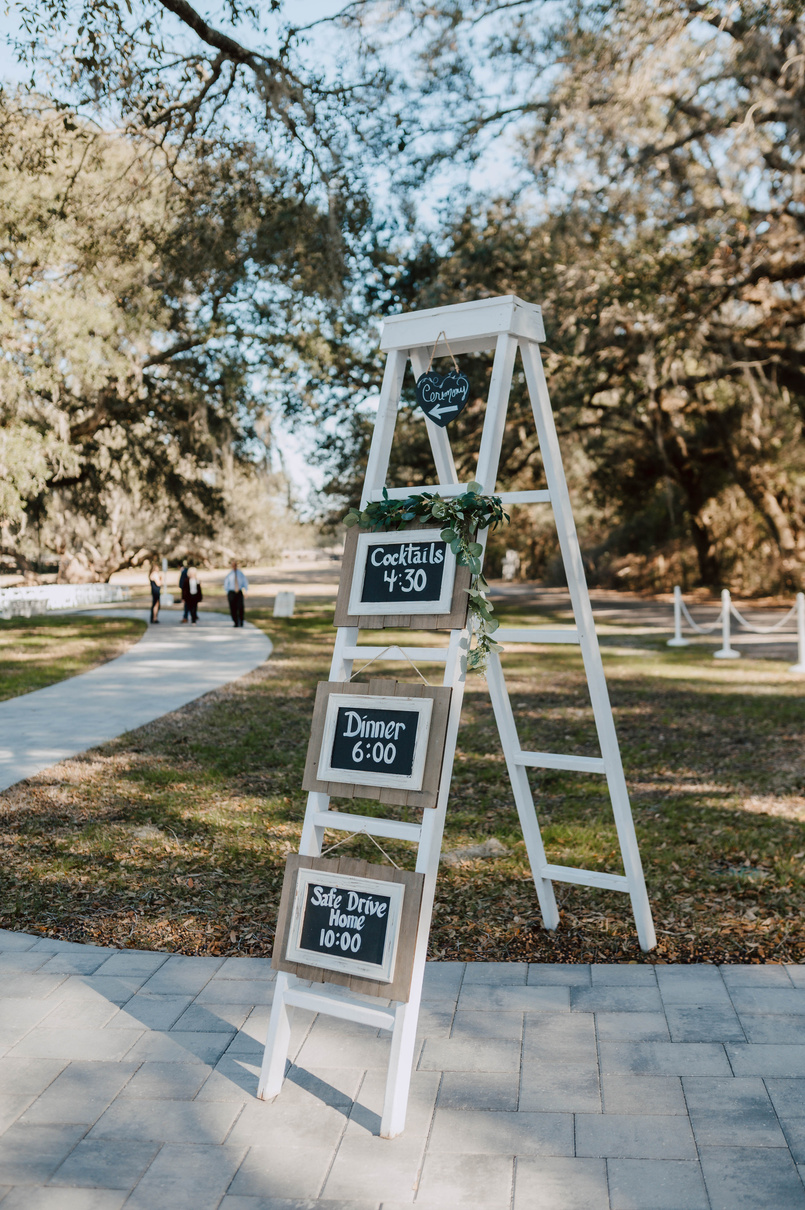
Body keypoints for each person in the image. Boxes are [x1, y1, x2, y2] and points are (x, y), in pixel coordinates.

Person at [224, 560, 249, 627]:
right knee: (233, 608)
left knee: (240, 607)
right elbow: (226, 584)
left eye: (235, 565)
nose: (234, 566)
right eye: (233, 565)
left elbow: (245, 582)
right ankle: (235, 622)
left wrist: (246, 591)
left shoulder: (240, 573)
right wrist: (226, 593)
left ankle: (241, 620)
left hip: (239, 592)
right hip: (231, 592)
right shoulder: (229, 574)